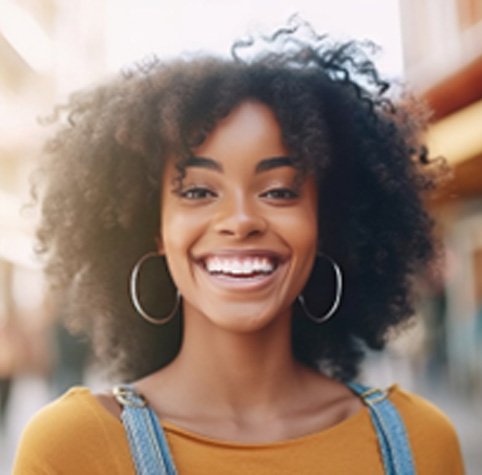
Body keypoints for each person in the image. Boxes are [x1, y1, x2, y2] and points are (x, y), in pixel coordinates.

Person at [14, 18, 465, 474]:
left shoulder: (420, 442)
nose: (241, 221)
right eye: (197, 192)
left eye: (279, 191)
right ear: (154, 229)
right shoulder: (74, 448)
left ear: (325, 222)